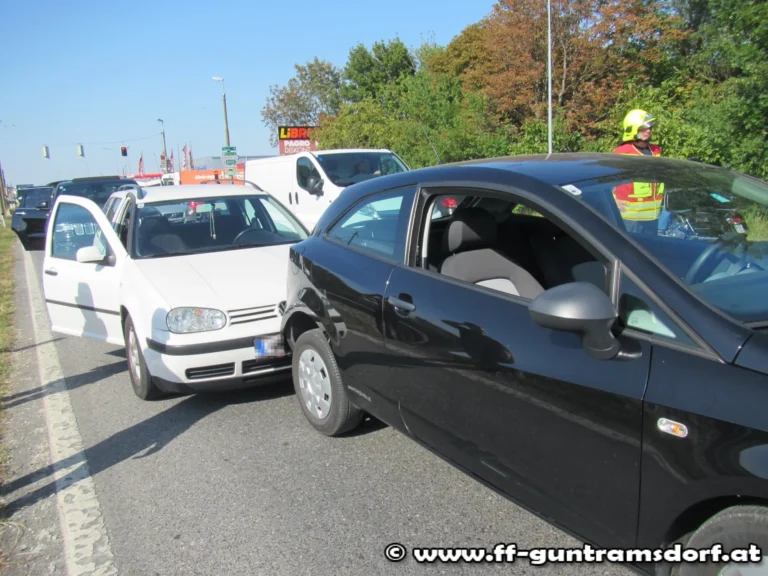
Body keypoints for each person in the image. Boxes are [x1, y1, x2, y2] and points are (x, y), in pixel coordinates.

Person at [612, 109, 666, 235]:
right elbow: (607, 181)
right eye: (643, 128)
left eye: (649, 128)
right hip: (631, 217)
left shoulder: (656, 151)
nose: (648, 131)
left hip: (653, 216)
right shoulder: (622, 153)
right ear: (633, 129)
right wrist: (613, 201)